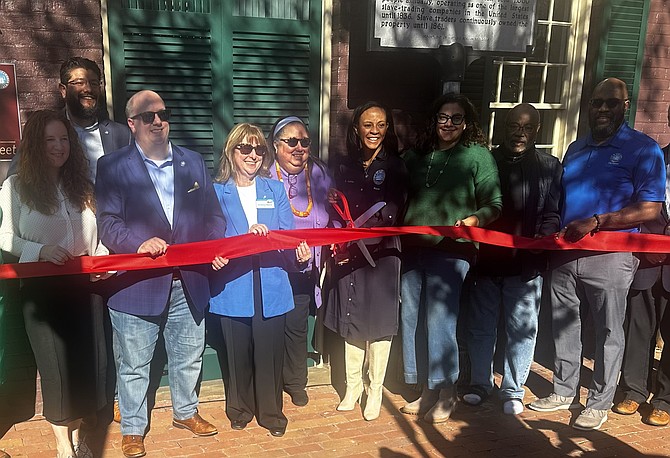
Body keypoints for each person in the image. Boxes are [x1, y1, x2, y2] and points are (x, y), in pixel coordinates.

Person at [528, 78, 666, 431]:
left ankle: (600, 401)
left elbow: (650, 208)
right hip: (566, 251)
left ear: (625, 106)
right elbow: (562, 197)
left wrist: (598, 221)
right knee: (564, 324)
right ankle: (563, 390)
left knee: (608, 329)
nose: (602, 109)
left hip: (611, 254)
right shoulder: (576, 148)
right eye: (595, 103)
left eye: (610, 103)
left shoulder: (644, 149)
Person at [95, 90, 227, 458]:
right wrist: (137, 242)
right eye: (148, 115)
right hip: (136, 284)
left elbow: (214, 217)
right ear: (132, 123)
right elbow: (107, 223)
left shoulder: (194, 162)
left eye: (163, 114)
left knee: (189, 354)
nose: (158, 121)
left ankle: (186, 412)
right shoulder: (112, 166)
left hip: (189, 280)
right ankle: (134, 428)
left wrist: (211, 247)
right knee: (135, 363)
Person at [0, 110, 109, 458]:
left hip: (86, 289)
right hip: (42, 292)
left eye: (63, 139)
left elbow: (97, 237)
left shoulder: (82, 185)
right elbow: (4, 237)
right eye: (50, 140)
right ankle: (64, 445)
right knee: (56, 370)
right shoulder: (15, 186)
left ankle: (81, 438)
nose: (59, 146)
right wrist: (40, 249)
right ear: (35, 144)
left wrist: (102, 260)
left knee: (85, 366)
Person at [399, 93, 502, 424]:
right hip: (414, 249)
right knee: (412, 319)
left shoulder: (477, 156)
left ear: (467, 122)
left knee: (440, 321)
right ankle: (425, 390)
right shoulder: (416, 156)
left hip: (452, 251)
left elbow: (494, 203)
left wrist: (474, 221)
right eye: (443, 117)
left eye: (456, 118)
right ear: (434, 120)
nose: (448, 124)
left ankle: (447, 393)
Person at [209, 123, 311, 437]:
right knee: (237, 353)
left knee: (269, 353)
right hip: (232, 283)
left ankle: (271, 413)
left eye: (258, 149)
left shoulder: (274, 190)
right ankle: (239, 409)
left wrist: (299, 254)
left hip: (271, 282)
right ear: (231, 151)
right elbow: (210, 235)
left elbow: (286, 235)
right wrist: (217, 254)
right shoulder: (216, 191)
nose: (253, 155)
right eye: (245, 148)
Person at [463, 104, 562, 415]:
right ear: (503, 127)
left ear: (537, 130)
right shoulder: (485, 160)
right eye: (514, 126)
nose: (520, 133)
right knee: (481, 328)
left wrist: (541, 240)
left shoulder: (549, 166)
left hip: (525, 266)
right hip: (487, 261)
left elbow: (553, 213)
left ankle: (512, 390)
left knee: (522, 330)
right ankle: (480, 383)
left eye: (528, 127)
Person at [322, 102, 408, 421]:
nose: (374, 130)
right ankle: (353, 386)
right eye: (367, 124)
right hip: (349, 250)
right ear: (357, 128)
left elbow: (393, 211)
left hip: (382, 252)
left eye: (381, 125)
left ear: (387, 129)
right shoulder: (344, 165)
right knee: (352, 315)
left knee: (380, 323)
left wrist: (360, 228)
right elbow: (333, 206)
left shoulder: (397, 166)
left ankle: (375, 390)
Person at [267, 116, 332, 407]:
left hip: (306, 268)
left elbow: (333, 211)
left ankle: (295, 382)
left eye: (304, 142)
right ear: (276, 145)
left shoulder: (319, 173)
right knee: (270, 327)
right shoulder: (264, 177)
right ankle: (269, 381)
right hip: (271, 267)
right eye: (291, 141)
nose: (299, 148)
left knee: (296, 327)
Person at [613, 103, 670, 427]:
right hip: (646, 259)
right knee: (637, 329)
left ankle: (664, 399)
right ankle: (634, 391)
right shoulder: (654, 158)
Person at [9, 57, 132, 182]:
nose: (88, 89)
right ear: (63, 90)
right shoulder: (44, 130)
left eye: (94, 83)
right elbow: (15, 179)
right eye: (79, 83)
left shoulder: (121, 134)